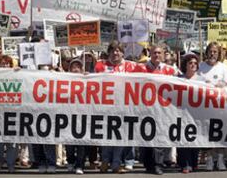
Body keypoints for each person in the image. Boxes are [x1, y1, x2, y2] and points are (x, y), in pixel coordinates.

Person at [95, 41, 138, 173]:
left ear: (123, 53)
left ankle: (116, 163)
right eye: (113, 50)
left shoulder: (131, 66)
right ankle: (105, 161)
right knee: (106, 136)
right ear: (109, 52)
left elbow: (147, 74)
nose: (115, 53)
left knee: (120, 136)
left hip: (123, 107)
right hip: (106, 107)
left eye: (118, 50)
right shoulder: (100, 65)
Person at [136, 44, 175, 175]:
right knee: (146, 137)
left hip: (162, 109)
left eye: (159, 53)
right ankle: (148, 164)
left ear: (163, 55)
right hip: (145, 109)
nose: (157, 55)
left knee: (159, 137)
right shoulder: (140, 69)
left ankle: (158, 164)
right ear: (150, 54)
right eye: (154, 53)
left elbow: (183, 81)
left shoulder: (170, 70)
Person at [198, 42, 227, 171]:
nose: (212, 54)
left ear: (219, 53)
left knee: (220, 132)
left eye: (215, 52)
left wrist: (221, 84)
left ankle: (221, 159)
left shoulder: (224, 68)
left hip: (220, 106)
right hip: (205, 106)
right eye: (210, 51)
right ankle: (210, 159)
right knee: (207, 133)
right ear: (207, 52)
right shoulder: (200, 66)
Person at [177, 53, 202, 173]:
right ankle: (185, 164)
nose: (193, 65)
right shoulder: (178, 79)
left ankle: (194, 162)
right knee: (183, 138)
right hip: (182, 113)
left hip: (196, 114)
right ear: (185, 65)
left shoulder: (201, 79)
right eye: (190, 63)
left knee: (194, 138)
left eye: (195, 63)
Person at [0, 55, 18, 173]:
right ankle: (0, 160)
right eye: (2, 63)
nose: (5, 65)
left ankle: (10, 163)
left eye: (7, 63)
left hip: (13, 112)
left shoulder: (16, 75)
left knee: (12, 141)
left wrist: (20, 73)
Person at [65, 58, 86, 175]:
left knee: (81, 143)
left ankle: (80, 165)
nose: (76, 68)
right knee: (69, 143)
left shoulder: (87, 79)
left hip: (82, 116)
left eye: (78, 66)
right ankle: (71, 162)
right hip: (68, 115)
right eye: (74, 66)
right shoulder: (64, 79)